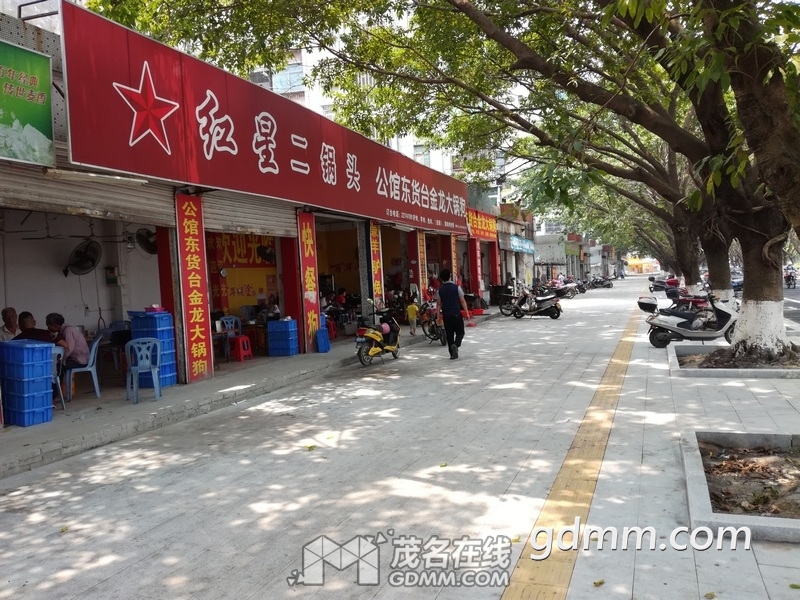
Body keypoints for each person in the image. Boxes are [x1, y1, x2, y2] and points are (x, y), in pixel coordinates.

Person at [435, 268, 470, 360]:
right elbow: (462, 301)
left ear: (441, 278)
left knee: (449, 335)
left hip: (446, 316)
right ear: (450, 276)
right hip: (456, 314)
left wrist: (438, 316)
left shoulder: (439, 290)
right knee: (460, 333)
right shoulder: (457, 287)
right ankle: (456, 345)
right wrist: (467, 313)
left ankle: (452, 354)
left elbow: (438, 304)